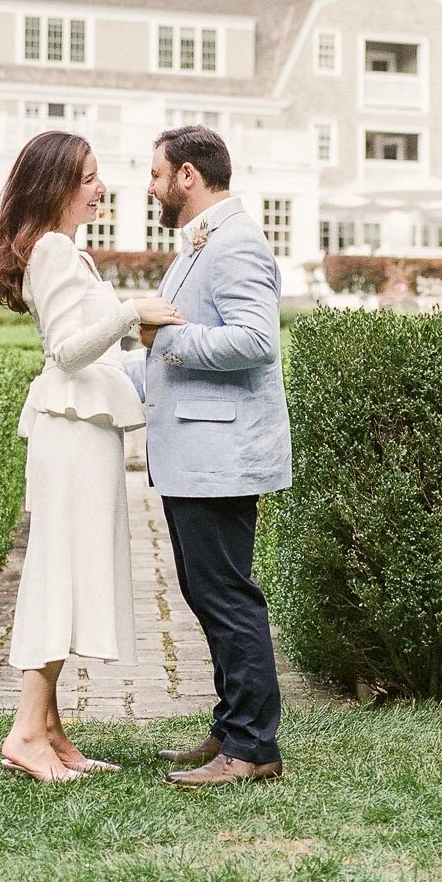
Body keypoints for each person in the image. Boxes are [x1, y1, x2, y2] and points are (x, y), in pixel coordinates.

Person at [0, 129, 186, 782]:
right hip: (69, 437)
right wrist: (132, 310)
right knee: (60, 576)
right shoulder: (54, 252)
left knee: (70, 574)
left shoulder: (68, 253)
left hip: (81, 430)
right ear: (59, 186)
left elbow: (93, 355)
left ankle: (50, 731)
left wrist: (163, 353)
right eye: (90, 177)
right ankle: (24, 734)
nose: (101, 188)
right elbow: (69, 350)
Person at [131, 125, 291, 787]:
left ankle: (254, 747)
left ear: (188, 175)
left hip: (221, 453)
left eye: (157, 173)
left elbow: (254, 340)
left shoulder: (238, 243)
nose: (150, 186)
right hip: (197, 450)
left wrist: (167, 341)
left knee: (227, 596)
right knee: (207, 591)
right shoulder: (203, 242)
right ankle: (232, 726)